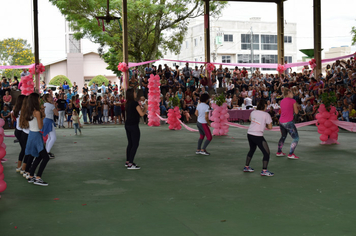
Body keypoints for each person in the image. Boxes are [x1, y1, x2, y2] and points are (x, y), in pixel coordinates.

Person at [20, 93, 50, 186]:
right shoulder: (37, 112)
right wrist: (41, 116)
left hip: (32, 135)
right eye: (38, 99)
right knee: (45, 157)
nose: (39, 100)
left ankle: (31, 175)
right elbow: (40, 126)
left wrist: (42, 114)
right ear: (35, 100)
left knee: (39, 156)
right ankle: (38, 177)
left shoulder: (28, 111)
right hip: (36, 135)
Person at [244, 100, 274, 176]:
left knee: (252, 149)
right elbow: (270, 127)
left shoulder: (253, 112)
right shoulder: (266, 114)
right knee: (266, 153)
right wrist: (265, 124)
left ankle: (246, 167)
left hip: (250, 134)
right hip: (257, 135)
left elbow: (250, 119)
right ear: (264, 106)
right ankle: (264, 171)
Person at [124, 88, 148, 169]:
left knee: (130, 143)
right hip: (134, 125)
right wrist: (145, 108)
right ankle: (131, 163)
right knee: (135, 144)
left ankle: (128, 161)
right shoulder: (135, 103)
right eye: (134, 92)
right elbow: (141, 114)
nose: (135, 93)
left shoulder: (127, 103)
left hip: (127, 124)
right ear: (132, 94)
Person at [276, 88, 300, 159]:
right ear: (289, 92)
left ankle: (279, 152)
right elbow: (296, 112)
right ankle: (290, 154)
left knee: (283, 136)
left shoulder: (282, 101)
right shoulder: (293, 101)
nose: (293, 94)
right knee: (296, 138)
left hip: (281, 122)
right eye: (292, 93)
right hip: (288, 122)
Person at [42, 94, 58, 158]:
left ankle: (46, 151)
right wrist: (54, 106)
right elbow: (56, 114)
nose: (52, 97)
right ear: (48, 98)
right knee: (53, 138)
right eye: (51, 97)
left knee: (49, 137)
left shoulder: (44, 105)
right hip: (49, 121)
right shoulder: (51, 106)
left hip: (44, 121)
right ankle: (47, 152)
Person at [13, 95, 27, 172]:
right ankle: (23, 167)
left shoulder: (17, 109)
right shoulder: (23, 110)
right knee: (25, 150)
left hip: (18, 131)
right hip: (22, 131)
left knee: (24, 149)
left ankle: (20, 166)